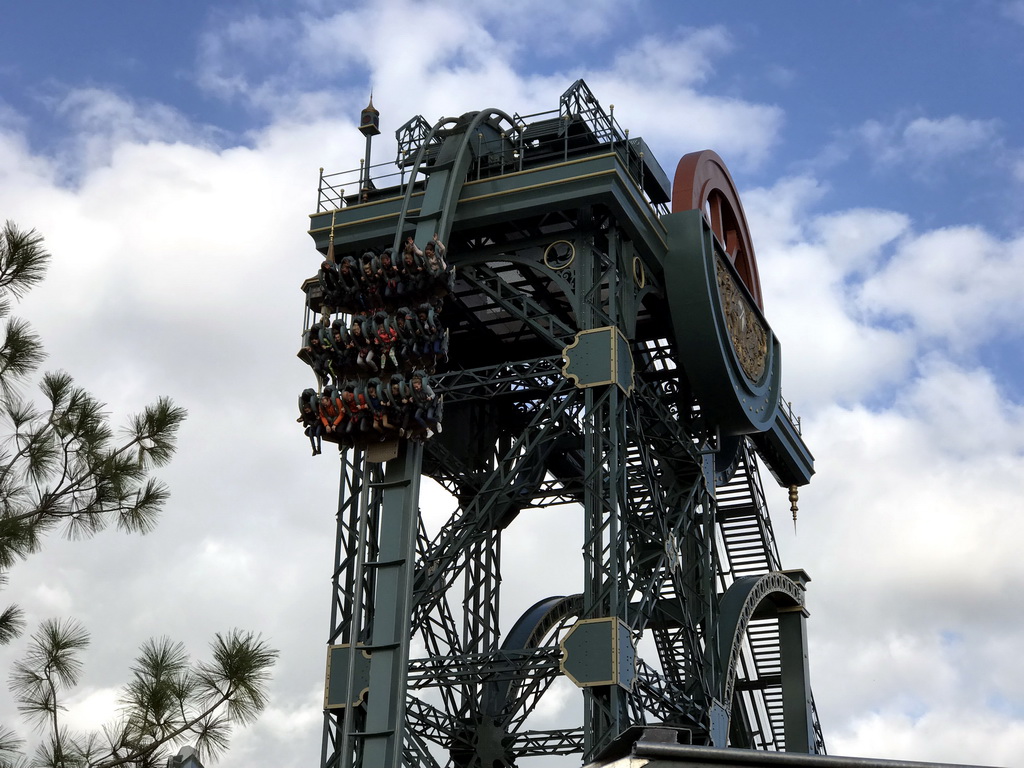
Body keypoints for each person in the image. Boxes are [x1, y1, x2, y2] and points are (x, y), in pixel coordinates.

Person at [297, 388, 323, 455]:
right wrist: (300, 419)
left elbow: (320, 415)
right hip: (313, 425)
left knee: (317, 433)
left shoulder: (316, 407)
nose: (307, 412)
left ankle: (319, 449)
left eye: (308, 410)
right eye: (306, 411)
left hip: (318, 424)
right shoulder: (306, 413)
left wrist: (318, 419)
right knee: (311, 434)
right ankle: (314, 449)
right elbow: (302, 417)